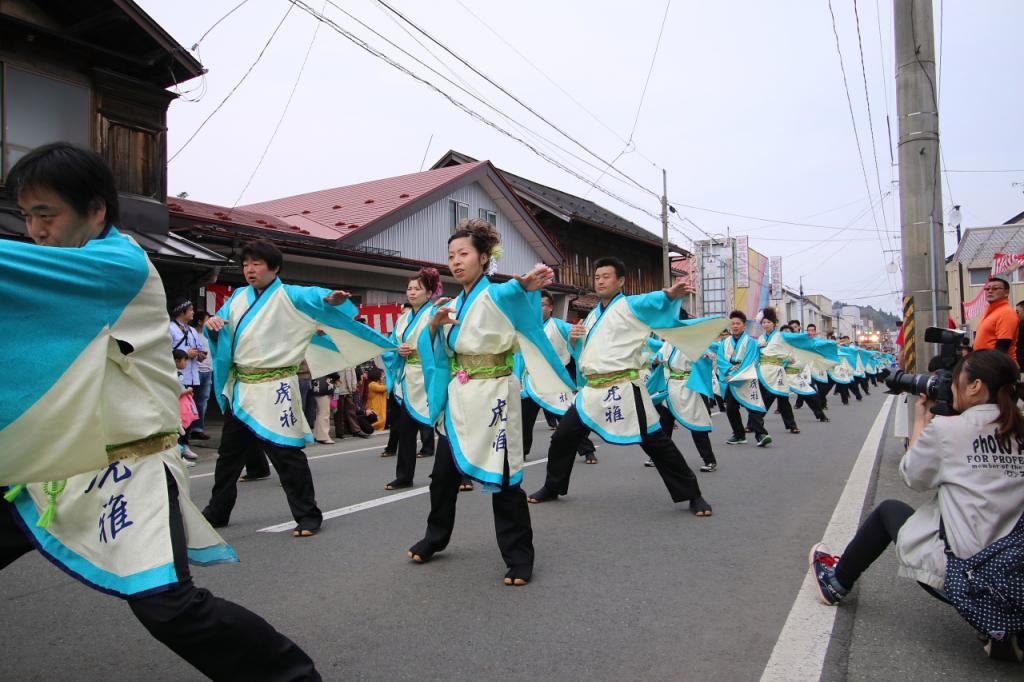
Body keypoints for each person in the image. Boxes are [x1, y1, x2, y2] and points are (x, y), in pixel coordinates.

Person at [0, 143, 320, 680]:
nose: (34, 230)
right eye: (27, 215)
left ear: (95, 209)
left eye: (46, 214)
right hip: (59, 464)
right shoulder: (76, 267)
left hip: (128, 470)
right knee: (234, 462)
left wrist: (332, 305)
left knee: (169, 607)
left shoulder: (116, 264)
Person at [810, 350, 1024, 662]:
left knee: (889, 511)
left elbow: (913, 476)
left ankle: (836, 583)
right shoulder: (1018, 425)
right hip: (1016, 572)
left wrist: (923, 420)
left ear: (975, 386)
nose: (950, 387)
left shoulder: (949, 430)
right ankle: (1003, 628)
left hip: (972, 577)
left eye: (955, 380)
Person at [407, 219, 575, 586]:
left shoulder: (497, 294)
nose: (456, 261)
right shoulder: (450, 305)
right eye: (451, 255)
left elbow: (516, 295)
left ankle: (519, 557)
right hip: (460, 396)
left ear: (484, 258)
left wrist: (526, 285)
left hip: (496, 393)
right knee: (442, 476)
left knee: (504, 479)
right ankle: (435, 537)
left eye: (464, 253)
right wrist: (434, 326)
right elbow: (435, 351)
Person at [202, 238, 394, 537]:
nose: (249, 270)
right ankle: (218, 511)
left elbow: (316, 298)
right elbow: (220, 327)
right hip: (243, 388)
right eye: (245, 264)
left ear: (274, 268)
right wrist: (213, 324)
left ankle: (308, 514)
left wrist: (331, 300)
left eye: (256, 264)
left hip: (276, 385)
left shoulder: (291, 295)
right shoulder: (238, 296)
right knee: (228, 458)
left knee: (287, 455)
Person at [527, 256, 723, 516]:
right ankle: (553, 486)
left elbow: (652, 300)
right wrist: (575, 340)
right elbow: (584, 354)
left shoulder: (631, 305)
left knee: (656, 442)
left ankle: (693, 494)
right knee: (563, 437)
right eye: (597, 277)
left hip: (623, 387)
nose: (600, 281)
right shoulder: (591, 317)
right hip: (593, 391)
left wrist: (669, 295)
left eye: (606, 276)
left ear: (620, 281)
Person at [518, 290, 597, 464]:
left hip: (555, 380)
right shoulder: (524, 329)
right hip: (531, 381)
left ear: (551, 308)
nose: (538, 309)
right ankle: (520, 453)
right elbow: (518, 356)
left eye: (542, 305)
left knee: (567, 417)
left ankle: (587, 450)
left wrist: (577, 336)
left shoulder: (559, 326)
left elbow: (582, 336)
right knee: (524, 420)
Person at [381, 268, 442, 489]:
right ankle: (404, 476)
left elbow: (443, 344)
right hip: (409, 378)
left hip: (431, 376)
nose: (412, 292)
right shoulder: (404, 318)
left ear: (430, 292)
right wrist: (398, 350)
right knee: (405, 430)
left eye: (418, 289)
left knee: (444, 426)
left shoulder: (435, 313)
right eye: (409, 288)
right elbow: (390, 345)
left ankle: (460, 474)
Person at [649, 337, 720, 472]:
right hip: (670, 388)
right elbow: (658, 357)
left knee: (697, 423)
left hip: (688, 387)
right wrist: (656, 361)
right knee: (664, 425)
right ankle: (658, 457)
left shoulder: (691, 342)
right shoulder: (669, 343)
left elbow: (704, 354)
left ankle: (709, 460)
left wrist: (707, 355)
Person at [719, 311, 772, 447]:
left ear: (744, 326)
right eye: (733, 324)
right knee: (731, 408)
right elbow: (721, 360)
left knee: (753, 407)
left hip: (746, 378)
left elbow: (750, 361)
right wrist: (729, 371)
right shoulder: (724, 343)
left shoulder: (751, 342)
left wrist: (737, 374)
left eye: (738, 323)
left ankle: (761, 434)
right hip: (731, 379)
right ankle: (739, 435)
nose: (735, 326)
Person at [755, 308, 801, 434]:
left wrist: (789, 358)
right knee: (761, 399)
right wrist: (759, 346)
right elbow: (755, 353)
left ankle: (792, 425)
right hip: (763, 371)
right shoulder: (760, 338)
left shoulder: (780, 336)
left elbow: (788, 349)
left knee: (783, 399)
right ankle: (753, 424)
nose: (766, 324)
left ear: (774, 323)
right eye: (764, 322)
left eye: (768, 322)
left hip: (777, 371)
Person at [168, 297, 208, 437]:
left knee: (190, 410)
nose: (193, 312)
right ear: (182, 312)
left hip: (193, 375)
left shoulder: (192, 330)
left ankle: (186, 442)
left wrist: (200, 355)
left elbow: (199, 349)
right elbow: (165, 351)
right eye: (190, 310)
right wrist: (186, 353)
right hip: (179, 375)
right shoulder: (170, 328)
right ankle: (179, 442)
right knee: (179, 410)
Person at [973, 277, 1019, 364]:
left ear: (1006, 292)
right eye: (987, 289)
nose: (990, 291)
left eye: (995, 288)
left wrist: (992, 369)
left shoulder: (1006, 312)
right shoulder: (990, 312)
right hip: (985, 364)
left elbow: (1003, 346)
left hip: (999, 368)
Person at [173, 349, 199, 467]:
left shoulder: (175, 373)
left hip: (179, 406)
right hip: (178, 407)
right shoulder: (175, 375)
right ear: (177, 361)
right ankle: (180, 457)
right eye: (185, 360)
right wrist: (188, 390)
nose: (186, 363)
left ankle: (181, 455)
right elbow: (177, 392)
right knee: (179, 432)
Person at [191, 310, 214, 439]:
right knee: (190, 401)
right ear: (200, 322)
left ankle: (198, 428)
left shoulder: (210, 334)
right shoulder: (193, 333)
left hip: (208, 371)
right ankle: (186, 429)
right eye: (207, 319)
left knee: (202, 402)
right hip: (195, 370)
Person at [310, 372, 335, 444]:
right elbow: (334, 373)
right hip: (324, 386)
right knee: (324, 413)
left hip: (317, 385)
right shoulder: (325, 363)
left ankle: (317, 434)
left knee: (320, 412)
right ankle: (323, 436)